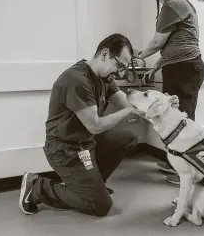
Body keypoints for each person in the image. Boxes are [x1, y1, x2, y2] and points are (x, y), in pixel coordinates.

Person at [19, 33, 179, 217]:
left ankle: (92, 187)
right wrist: (130, 111)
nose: (120, 73)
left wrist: (164, 105)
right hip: (64, 148)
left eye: (123, 69)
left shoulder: (104, 78)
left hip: (86, 142)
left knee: (129, 137)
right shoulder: (77, 80)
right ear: (104, 54)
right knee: (101, 206)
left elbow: (130, 104)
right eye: (119, 65)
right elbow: (95, 125)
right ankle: (37, 187)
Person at [134, 0, 204, 185]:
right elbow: (172, 47)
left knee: (182, 121)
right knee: (172, 119)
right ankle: (175, 161)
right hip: (181, 67)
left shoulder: (173, 5)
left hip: (185, 69)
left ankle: (186, 171)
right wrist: (155, 68)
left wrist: (138, 56)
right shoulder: (182, 5)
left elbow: (157, 43)